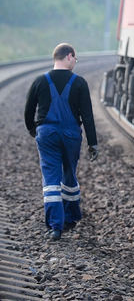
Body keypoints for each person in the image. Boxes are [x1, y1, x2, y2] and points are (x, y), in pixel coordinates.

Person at [24, 43, 99, 241]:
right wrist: (93, 143)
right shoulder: (79, 83)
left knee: (50, 180)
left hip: (47, 133)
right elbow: (88, 116)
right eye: (75, 58)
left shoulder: (40, 81)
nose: (75, 62)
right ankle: (71, 217)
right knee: (69, 175)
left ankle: (55, 226)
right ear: (69, 56)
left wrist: (34, 130)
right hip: (71, 135)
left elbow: (28, 111)